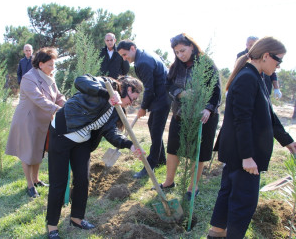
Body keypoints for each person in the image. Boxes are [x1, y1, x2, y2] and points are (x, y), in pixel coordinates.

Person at [207, 37, 296, 238]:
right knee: (244, 202)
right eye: (278, 60)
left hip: (241, 154)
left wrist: (288, 141)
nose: (279, 66)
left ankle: (216, 233)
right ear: (266, 56)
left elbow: (270, 116)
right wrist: (247, 156)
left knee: (228, 194)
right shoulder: (248, 78)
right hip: (244, 156)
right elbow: (242, 119)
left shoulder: (256, 76)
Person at [46, 74, 144, 239]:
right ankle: (52, 227)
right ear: (128, 89)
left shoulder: (116, 109)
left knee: (83, 180)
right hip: (63, 133)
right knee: (59, 183)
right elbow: (79, 81)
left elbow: (111, 132)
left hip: (82, 140)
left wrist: (130, 145)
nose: (132, 103)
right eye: (132, 99)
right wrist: (108, 94)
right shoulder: (105, 85)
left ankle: (77, 218)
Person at [160, 33, 221, 200]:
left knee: (198, 152)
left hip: (204, 117)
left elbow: (216, 91)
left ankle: (192, 187)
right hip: (180, 114)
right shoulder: (175, 67)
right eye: (177, 52)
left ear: (192, 46)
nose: (180, 55)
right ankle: (169, 181)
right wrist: (180, 93)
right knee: (172, 147)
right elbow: (168, 85)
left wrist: (208, 109)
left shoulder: (206, 63)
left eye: (183, 50)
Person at [6, 47, 66, 198]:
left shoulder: (49, 77)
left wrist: (67, 105)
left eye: (54, 64)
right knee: (27, 153)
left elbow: (58, 96)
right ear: (40, 64)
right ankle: (30, 185)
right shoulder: (29, 78)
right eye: (50, 65)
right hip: (28, 120)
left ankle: (36, 179)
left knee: (38, 150)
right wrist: (58, 110)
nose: (53, 68)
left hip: (43, 120)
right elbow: (39, 99)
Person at [117, 40, 171, 179]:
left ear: (132, 48)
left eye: (125, 54)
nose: (124, 58)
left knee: (156, 131)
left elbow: (149, 88)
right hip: (161, 97)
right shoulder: (144, 56)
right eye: (122, 56)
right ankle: (160, 160)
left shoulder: (143, 63)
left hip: (162, 98)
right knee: (152, 125)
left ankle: (150, 165)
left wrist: (143, 107)